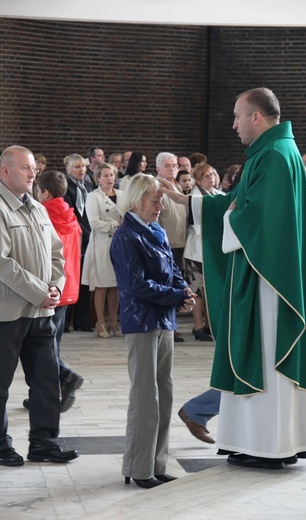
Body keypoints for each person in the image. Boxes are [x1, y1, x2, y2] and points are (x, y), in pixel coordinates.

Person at [161, 87, 306, 470]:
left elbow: (257, 218)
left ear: (257, 117)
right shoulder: (272, 152)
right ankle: (257, 440)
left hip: (270, 282)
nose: (234, 124)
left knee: (267, 355)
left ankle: (271, 444)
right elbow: (239, 204)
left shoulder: (273, 155)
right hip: (267, 275)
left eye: (238, 116)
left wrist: (230, 211)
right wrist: (193, 201)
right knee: (258, 354)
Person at [110, 173, 196, 489]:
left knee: (165, 396)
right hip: (142, 322)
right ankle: (138, 467)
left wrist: (184, 291)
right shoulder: (125, 237)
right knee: (145, 398)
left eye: (161, 200)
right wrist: (175, 296)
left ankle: (156, 465)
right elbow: (136, 285)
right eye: (155, 200)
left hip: (163, 320)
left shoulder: (155, 230)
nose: (161, 206)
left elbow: (172, 270)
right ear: (136, 201)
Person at [0, 145, 78, 466]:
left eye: (33, 168)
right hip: (9, 313)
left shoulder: (39, 208)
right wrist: (38, 291)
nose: (33, 174)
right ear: (5, 171)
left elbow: (57, 255)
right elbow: (2, 263)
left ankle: (43, 442)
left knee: (46, 380)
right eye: (25, 168)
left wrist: (55, 287)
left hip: (43, 310)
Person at [35, 170, 84, 412]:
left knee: (42, 346)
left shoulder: (42, 215)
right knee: (52, 344)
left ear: (44, 192)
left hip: (49, 289)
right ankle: (47, 394)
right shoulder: (71, 216)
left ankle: (65, 377)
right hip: (68, 287)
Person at [184, 163, 225, 342]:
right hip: (196, 249)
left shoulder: (219, 195)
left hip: (214, 248)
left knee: (211, 288)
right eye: (207, 176)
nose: (212, 179)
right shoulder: (194, 196)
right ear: (199, 180)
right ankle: (198, 326)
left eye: (213, 174)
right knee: (197, 290)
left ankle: (210, 324)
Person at [82, 162, 122, 338]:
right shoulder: (93, 197)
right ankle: (100, 322)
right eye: (105, 175)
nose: (109, 178)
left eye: (112, 175)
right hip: (102, 244)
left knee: (116, 285)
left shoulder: (121, 195)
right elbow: (94, 223)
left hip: (120, 245)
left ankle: (113, 321)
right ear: (98, 178)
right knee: (102, 285)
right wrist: (116, 225)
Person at [156, 152, 189, 342]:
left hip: (180, 244)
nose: (173, 169)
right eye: (168, 166)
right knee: (165, 286)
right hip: (164, 245)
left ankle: (172, 324)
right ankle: (168, 325)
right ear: (159, 168)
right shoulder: (157, 187)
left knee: (177, 286)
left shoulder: (178, 186)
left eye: (175, 165)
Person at [63, 154, 93, 332]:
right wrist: (84, 229)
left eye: (83, 167)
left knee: (84, 281)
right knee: (71, 278)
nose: (81, 170)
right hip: (75, 236)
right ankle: (65, 323)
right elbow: (70, 212)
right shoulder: (66, 187)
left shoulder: (88, 186)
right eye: (77, 167)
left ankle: (82, 322)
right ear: (68, 170)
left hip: (89, 237)